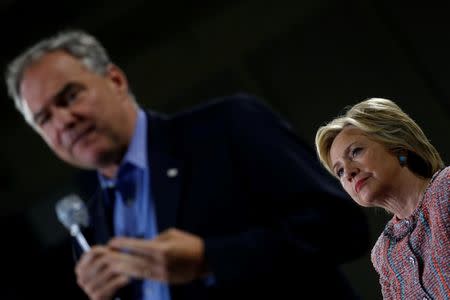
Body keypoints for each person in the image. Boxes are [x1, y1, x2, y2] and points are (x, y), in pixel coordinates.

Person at [6, 30, 370, 300]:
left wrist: (210, 259)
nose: (63, 121)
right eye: (44, 118)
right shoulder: (94, 218)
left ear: (115, 80)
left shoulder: (226, 126)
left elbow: (343, 226)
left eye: (70, 96)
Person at [315, 98, 449, 300]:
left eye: (356, 152)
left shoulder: (446, 187)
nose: (349, 173)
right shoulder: (384, 253)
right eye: (340, 171)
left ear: (397, 145)